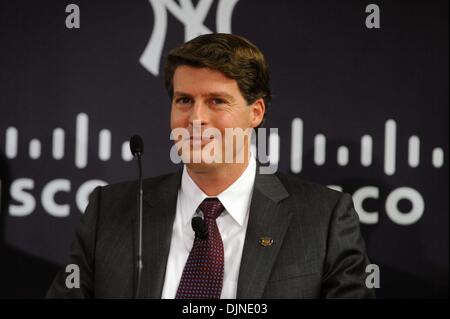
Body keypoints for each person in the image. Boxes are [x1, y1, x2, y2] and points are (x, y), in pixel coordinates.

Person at [47, 33, 374, 299]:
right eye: (184, 100)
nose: (196, 119)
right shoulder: (111, 211)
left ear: (256, 113)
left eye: (216, 101)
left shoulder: (322, 219)